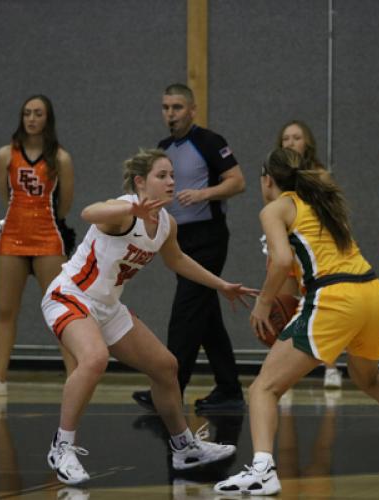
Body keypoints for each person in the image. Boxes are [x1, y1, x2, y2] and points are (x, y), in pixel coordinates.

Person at [214, 148, 379, 496]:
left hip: (334, 297)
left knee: (263, 389)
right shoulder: (324, 202)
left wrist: (264, 304)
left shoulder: (274, 209)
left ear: (267, 179)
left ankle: (262, 470)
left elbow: (283, 260)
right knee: (368, 377)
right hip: (372, 294)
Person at [41, 149, 254, 485]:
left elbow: (179, 261)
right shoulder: (123, 212)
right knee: (94, 359)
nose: (171, 181)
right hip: (70, 296)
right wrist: (130, 206)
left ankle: (185, 448)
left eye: (172, 175)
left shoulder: (166, 224)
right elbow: (88, 212)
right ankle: (62, 446)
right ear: (141, 182)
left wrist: (222, 285)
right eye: (162, 175)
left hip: (108, 307)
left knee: (166, 366)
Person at [133, 83, 246, 412]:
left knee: (185, 313)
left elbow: (238, 182)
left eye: (177, 107)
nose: (170, 113)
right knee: (206, 316)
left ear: (192, 110)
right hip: (179, 237)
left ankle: (167, 390)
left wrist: (202, 195)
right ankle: (229, 389)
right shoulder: (162, 148)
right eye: (166, 107)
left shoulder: (210, 142)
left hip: (208, 237)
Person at [0, 95, 76, 398]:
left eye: (38, 113)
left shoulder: (61, 158)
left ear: (47, 118)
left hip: (48, 238)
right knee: (6, 310)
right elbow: (6, 195)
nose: (31, 118)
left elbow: (65, 203)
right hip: (13, 237)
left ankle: (74, 377)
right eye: (27, 113)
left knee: (60, 310)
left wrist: (45, 219)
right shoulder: (6, 154)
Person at [274, 119, 342, 389]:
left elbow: (333, 215)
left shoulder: (319, 175)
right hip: (286, 248)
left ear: (308, 143)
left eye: (296, 137)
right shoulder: (274, 177)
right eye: (286, 138)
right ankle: (284, 371)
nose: (291, 142)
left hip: (315, 251)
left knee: (321, 306)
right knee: (288, 307)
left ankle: (331, 366)